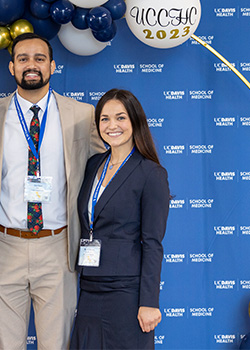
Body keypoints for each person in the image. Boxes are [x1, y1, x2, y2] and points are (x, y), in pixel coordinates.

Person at [0, 32, 105, 349]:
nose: (31, 65)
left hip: (58, 247)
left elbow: (111, 165)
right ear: (11, 67)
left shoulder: (82, 114)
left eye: (39, 59)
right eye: (23, 59)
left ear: (52, 66)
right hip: (3, 246)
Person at [69, 89, 170, 350]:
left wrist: (149, 302)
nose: (112, 125)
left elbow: (152, 242)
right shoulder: (93, 165)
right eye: (104, 119)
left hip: (126, 291)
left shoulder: (151, 173)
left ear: (135, 121)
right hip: (90, 286)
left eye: (120, 118)